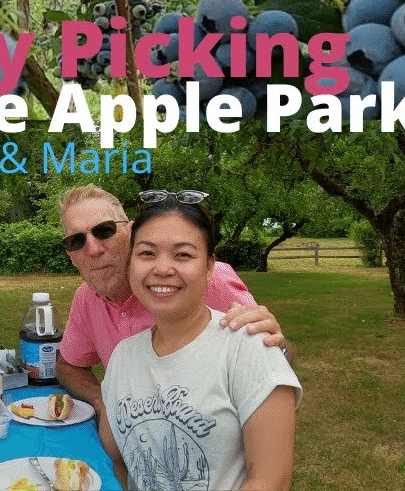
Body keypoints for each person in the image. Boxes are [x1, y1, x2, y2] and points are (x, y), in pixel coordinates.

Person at [102, 192, 301, 490]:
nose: (163, 268)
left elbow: (271, 481)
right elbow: (121, 462)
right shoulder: (122, 357)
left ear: (209, 267)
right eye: (146, 253)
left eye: (183, 254)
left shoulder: (248, 348)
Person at [55, 185, 291, 417]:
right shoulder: (86, 299)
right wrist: (102, 400)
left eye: (104, 231)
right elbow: (69, 364)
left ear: (132, 232)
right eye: (76, 241)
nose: (93, 249)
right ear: (70, 255)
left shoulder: (204, 280)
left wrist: (275, 344)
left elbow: (270, 356)